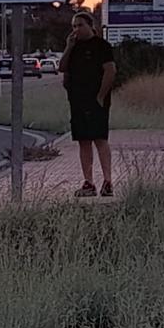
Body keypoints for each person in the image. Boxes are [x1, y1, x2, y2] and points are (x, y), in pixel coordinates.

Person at [58, 12, 117, 197]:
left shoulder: (102, 46)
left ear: (90, 26)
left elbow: (110, 71)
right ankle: (88, 182)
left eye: (80, 25)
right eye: (74, 26)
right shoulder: (74, 47)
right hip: (77, 100)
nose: (76, 29)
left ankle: (107, 181)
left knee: (100, 139)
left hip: (96, 100)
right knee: (83, 141)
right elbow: (62, 67)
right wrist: (68, 47)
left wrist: (101, 96)